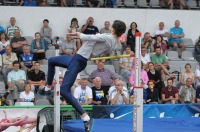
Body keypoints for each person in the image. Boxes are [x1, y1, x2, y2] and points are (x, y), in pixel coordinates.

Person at [40, 20, 126, 131]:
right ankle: (47, 87)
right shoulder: (114, 41)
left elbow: (90, 38)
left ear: (113, 29)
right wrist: (81, 35)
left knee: (64, 91)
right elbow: (95, 40)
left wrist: (78, 34)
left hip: (79, 60)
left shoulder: (109, 37)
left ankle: (85, 117)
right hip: (76, 59)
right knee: (51, 61)